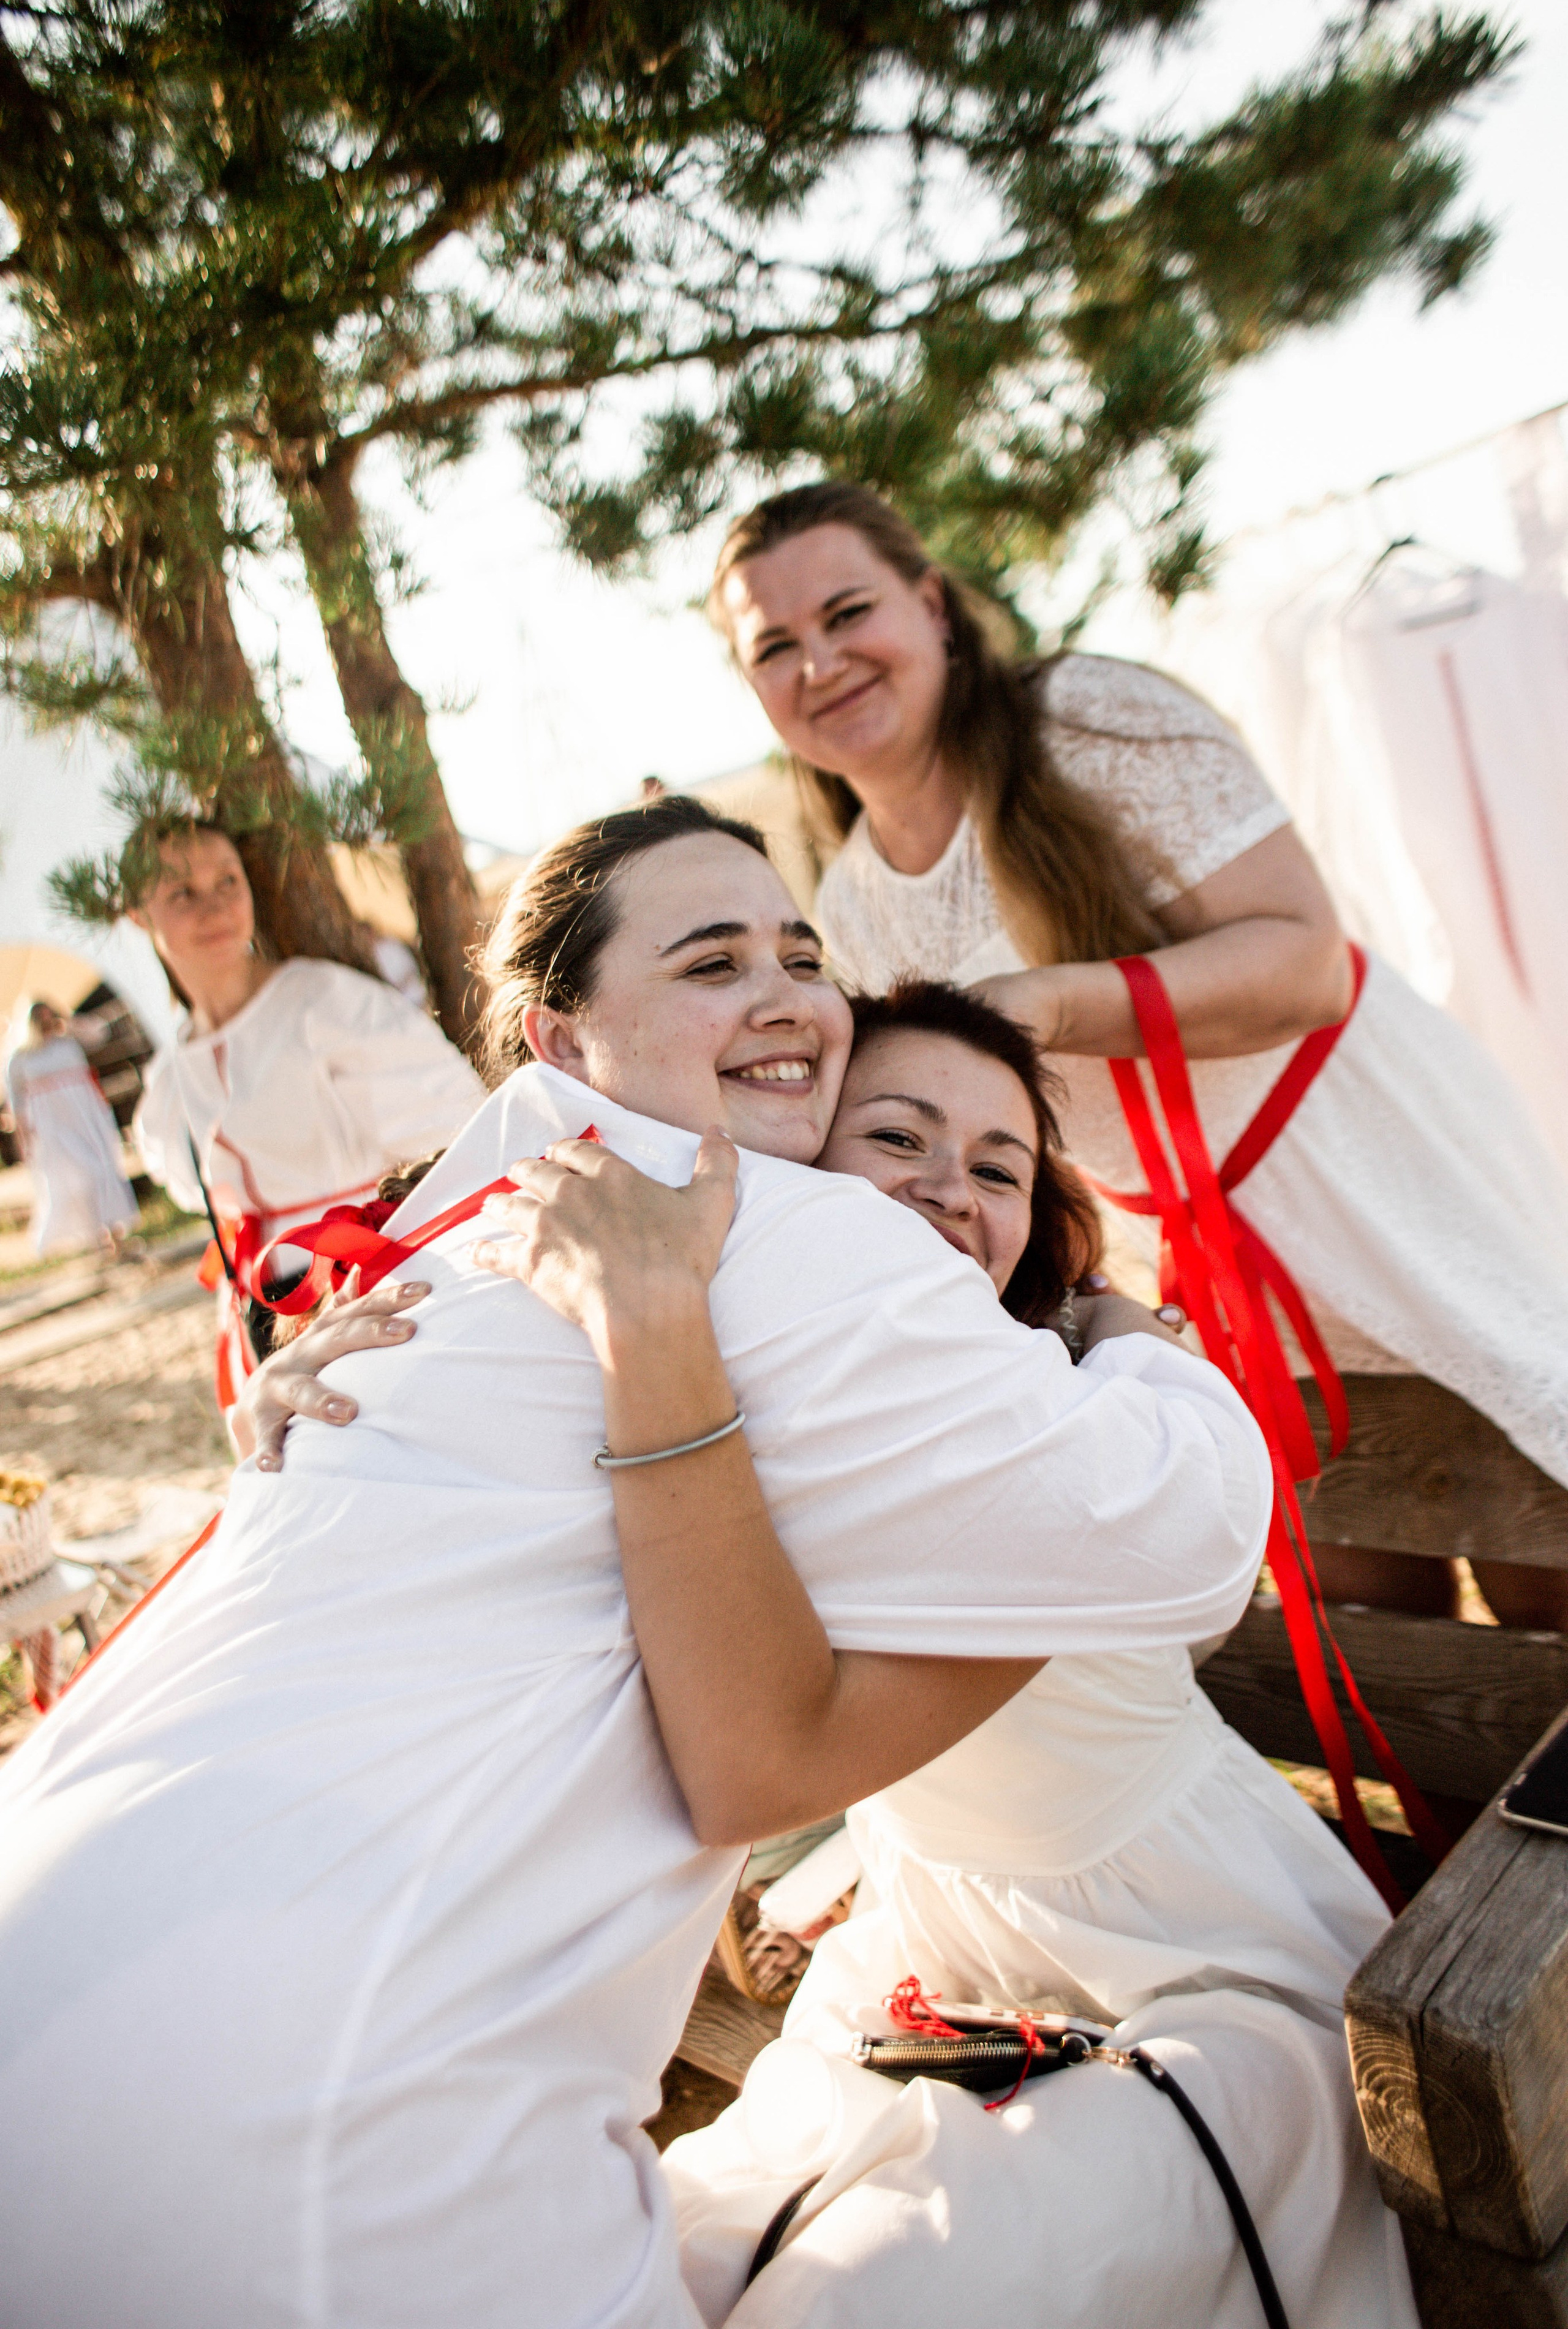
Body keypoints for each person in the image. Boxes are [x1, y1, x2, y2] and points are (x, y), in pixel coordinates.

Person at [0, 798, 1268, 2329]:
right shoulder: (791, 1236)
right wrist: (1143, 1344)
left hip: (56, 1941)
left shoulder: (468, 1245)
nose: (786, 992)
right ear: (555, 1035)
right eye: (711, 961)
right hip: (344, 2096)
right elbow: (1189, 1526)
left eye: (800, 953)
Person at [264, 979, 1411, 2327]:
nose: (949, 1188)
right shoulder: (736, 1369)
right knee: (679, 2265)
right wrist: (326, 1404)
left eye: (1000, 1168)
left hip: (1201, 1977)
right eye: (896, 1137)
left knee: (865, 2303)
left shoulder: (1044, 1419)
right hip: (929, 1955)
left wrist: (1112, 1323)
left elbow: (773, 1749)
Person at [709, 480, 1568, 1631]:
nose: (821, 661)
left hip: (1361, 1166)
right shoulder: (854, 898)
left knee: (1538, 1555)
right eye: (776, 647)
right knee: (1366, 1598)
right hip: (1188, 1251)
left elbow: (1306, 961)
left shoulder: (1088, 716)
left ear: (931, 605)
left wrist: (1049, 1003)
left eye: (849, 612)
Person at [130, 822, 486, 1410]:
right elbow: (188, 1182)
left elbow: (455, 1126)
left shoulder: (323, 1004)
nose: (213, 905)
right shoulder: (170, 1071)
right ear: (140, 916)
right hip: (260, 1308)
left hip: (363, 1280)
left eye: (227, 881)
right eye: (181, 894)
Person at [3, 998, 138, 1258]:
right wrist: (24, 1139)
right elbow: (16, 1103)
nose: (47, 1024)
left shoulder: (67, 1043)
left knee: (103, 1172)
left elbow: (99, 1033)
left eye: (50, 1017)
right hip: (52, 1129)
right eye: (40, 1020)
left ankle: (115, 1236)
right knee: (79, 1180)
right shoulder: (19, 1058)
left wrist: (69, 1021)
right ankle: (96, 1239)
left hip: (87, 1120)